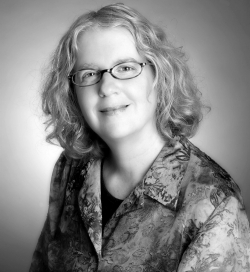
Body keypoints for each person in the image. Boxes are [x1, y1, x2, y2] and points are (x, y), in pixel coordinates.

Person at [29, 3, 250, 272]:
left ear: (158, 75)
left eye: (125, 68)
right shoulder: (71, 166)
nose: (107, 87)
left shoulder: (214, 204)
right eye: (89, 73)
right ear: (72, 91)